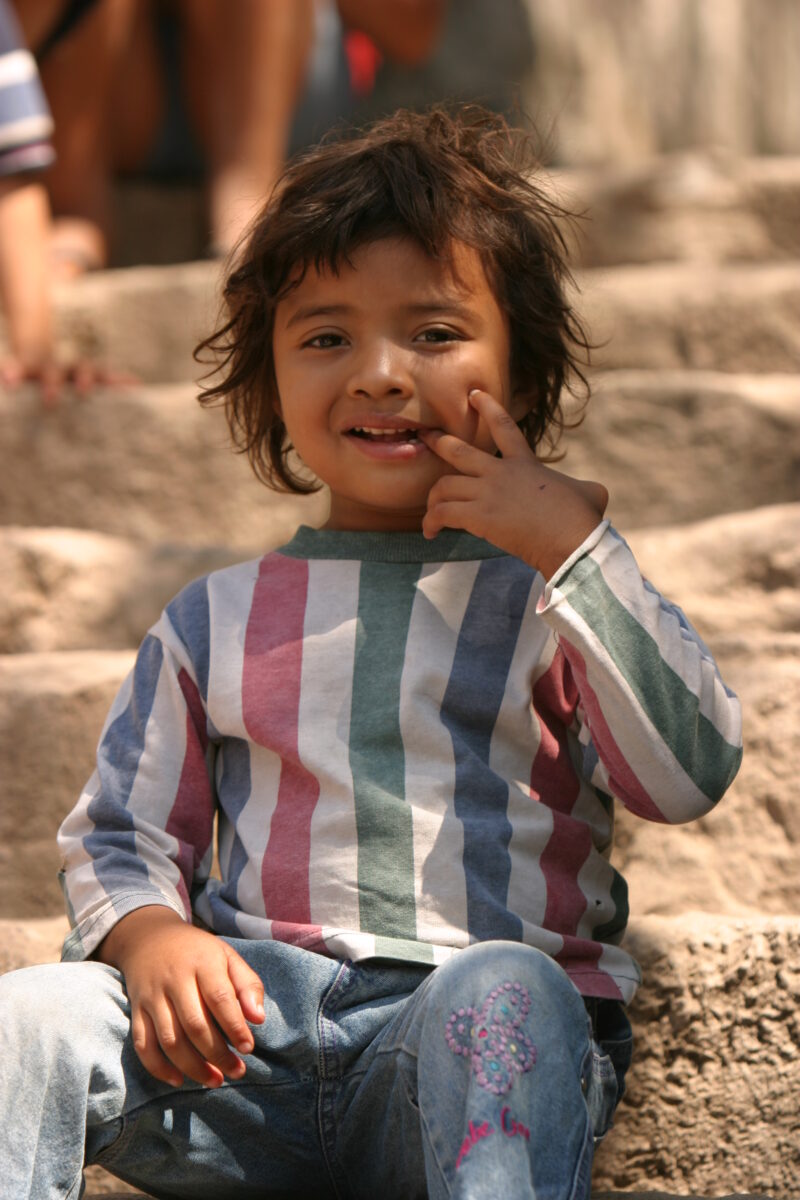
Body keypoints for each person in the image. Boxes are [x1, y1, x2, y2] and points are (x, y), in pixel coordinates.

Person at [0, 105, 743, 1198]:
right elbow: (119, 836)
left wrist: (574, 550)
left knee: (506, 989)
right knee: (31, 1014)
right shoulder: (212, 617)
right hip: (243, 1052)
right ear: (270, 378)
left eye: (434, 334)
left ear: (521, 371)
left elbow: (689, 776)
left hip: (471, 1059)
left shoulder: (553, 600)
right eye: (325, 336)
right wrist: (152, 939)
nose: (381, 374)